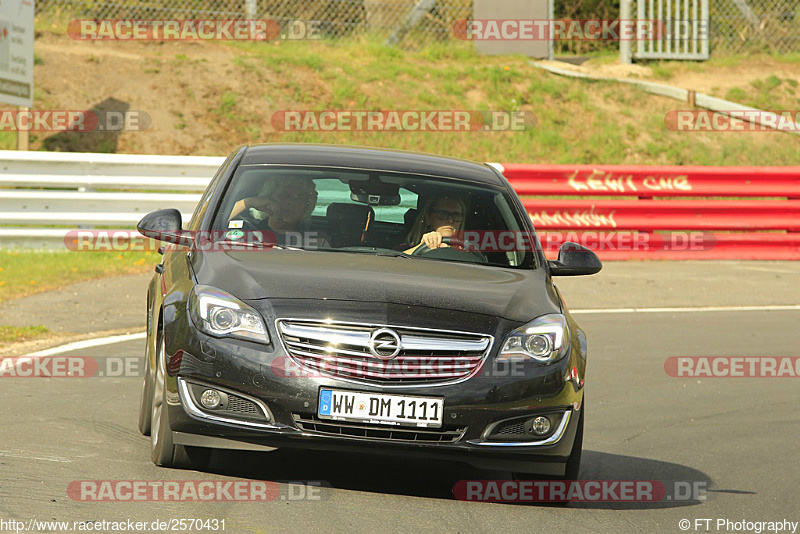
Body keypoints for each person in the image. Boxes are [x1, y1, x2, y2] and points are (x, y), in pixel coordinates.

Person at [227, 176, 325, 247]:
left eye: (300, 198)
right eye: (285, 194)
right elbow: (214, 221)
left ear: (307, 205)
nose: (291, 202)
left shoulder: (316, 240)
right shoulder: (247, 230)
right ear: (268, 197)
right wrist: (248, 202)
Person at [403, 194, 467, 254]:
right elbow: (397, 261)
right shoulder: (407, 247)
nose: (450, 220)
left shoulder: (468, 248)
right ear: (428, 218)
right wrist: (422, 246)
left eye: (456, 215)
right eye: (443, 214)